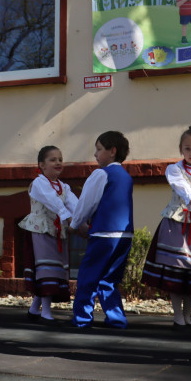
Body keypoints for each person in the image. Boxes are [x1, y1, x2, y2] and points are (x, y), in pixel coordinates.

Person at [143, 126, 191, 331]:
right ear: (181, 149)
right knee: (177, 271)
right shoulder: (174, 169)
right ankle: (178, 316)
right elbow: (182, 188)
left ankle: (188, 317)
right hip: (177, 225)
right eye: (187, 148)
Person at [68, 131, 134, 330]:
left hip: (104, 233)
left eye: (98, 149)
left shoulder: (101, 174)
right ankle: (116, 318)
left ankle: (82, 319)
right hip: (124, 234)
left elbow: (87, 202)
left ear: (112, 151)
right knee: (110, 279)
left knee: (89, 275)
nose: (95, 154)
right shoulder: (126, 176)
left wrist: (74, 224)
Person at [18, 145, 77, 324]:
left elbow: (74, 204)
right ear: (42, 165)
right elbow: (51, 200)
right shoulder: (39, 183)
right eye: (53, 160)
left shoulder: (64, 187)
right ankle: (45, 312)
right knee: (46, 269)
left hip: (56, 232)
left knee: (54, 269)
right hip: (41, 230)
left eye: (60, 159)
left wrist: (80, 219)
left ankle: (35, 309)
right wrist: (66, 216)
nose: (58, 162)